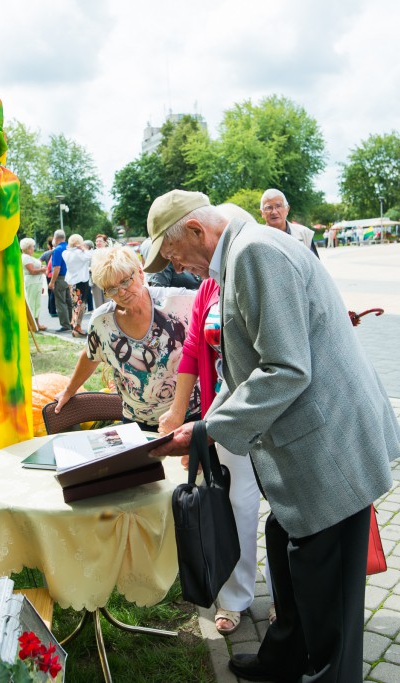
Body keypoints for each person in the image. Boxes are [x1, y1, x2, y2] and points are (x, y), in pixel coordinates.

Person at [145, 190, 400, 683]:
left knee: (329, 595)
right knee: (287, 550)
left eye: (174, 255)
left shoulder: (255, 253)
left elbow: (285, 370)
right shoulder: (240, 256)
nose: (176, 267)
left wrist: (209, 428)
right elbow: (242, 371)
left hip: (329, 449)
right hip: (308, 447)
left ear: (198, 232)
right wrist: (201, 424)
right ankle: (282, 660)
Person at [157, 204, 261, 638]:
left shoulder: (253, 264)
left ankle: (287, 594)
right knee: (237, 504)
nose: (178, 266)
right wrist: (179, 412)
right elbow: (195, 350)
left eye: (178, 253)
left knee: (283, 512)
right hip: (227, 410)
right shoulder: (207, 289)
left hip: (270, 409)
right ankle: (236, 596)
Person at [52, 246, 201, 431]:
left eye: (125, 282)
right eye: (111, 289)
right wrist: (68, 391)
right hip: (137, 421)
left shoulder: (179, 302)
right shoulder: (102, 321)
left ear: (140, 272)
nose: (121, 293)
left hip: (191, 414)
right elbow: (91, 356)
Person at [259, 189, 319, 258]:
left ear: (287, 209)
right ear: (262, 213)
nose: (274, 212)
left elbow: (315, 266)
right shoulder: (258, 239)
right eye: (269, 208)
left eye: (278, 206)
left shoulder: (304, 234)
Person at [48, 229, 72, 332]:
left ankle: (65, 325)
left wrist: (52, 282)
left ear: (55, 238)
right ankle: (71, 322)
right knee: (69, 302)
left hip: (61, 278)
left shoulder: (57, 250)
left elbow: (56, 268)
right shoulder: (69, 247)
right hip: (70, 277)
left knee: (61, 302)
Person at [20, 238, 47, 331]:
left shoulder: (29, 257)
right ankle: (31, 324)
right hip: (31, 282)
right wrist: (42, 270)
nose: (33, 249)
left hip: (37, 282)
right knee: (32, 303)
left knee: (37, 304)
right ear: (28, 248)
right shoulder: (25, 257)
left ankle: (36, 323)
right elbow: (31, 271)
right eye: (32, 247)